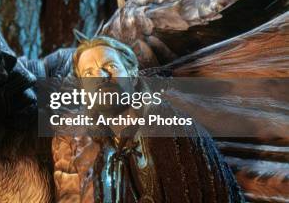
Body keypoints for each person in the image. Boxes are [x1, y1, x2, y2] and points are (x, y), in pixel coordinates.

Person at [72, 31, 244, 203]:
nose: (102, 76)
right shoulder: (104, 162)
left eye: (111, 66)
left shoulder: (169, 128)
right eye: (88, 74)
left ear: (132, 77)